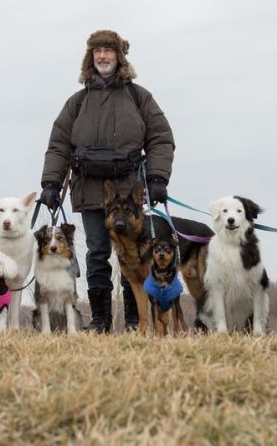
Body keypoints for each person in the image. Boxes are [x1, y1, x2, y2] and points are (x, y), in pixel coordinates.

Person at [39, 29, 174, 333]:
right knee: (97, 252)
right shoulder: (77, 102)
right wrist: (50, 183)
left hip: (128, 189)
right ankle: (100, 320)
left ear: (119, 56)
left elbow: (161, 139)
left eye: (108, 51)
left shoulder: (139, 97)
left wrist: (156, 177)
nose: (102, 56)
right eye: (97, 51)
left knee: (131, 256)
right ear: (91, 57)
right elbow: (59, 144)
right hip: (88, 189)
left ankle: (132, 320)